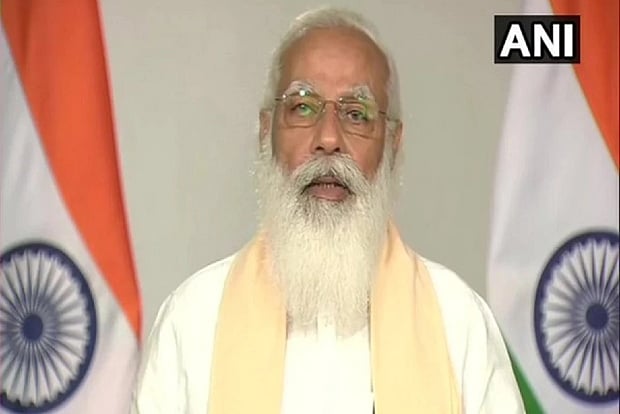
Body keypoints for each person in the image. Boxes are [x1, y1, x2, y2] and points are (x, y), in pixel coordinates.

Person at [131, 7, 525, 414]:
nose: (329, 139)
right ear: (266, 132)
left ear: (392, 145)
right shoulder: (193, 320)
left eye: (357, 114)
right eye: (303, 107)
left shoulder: (458, 322)